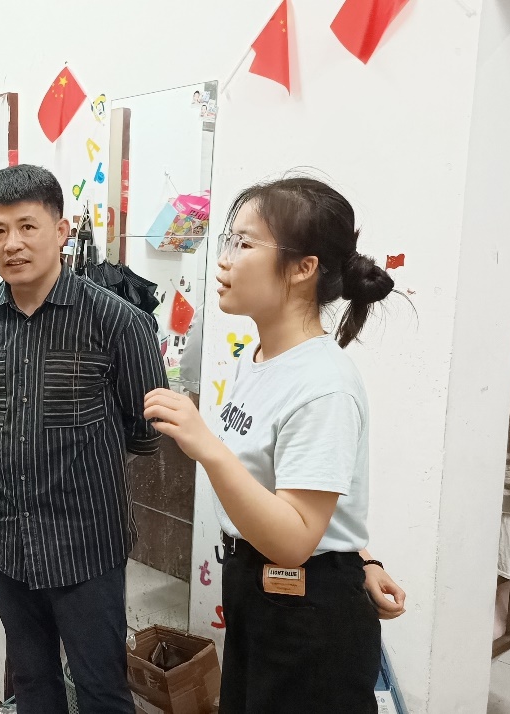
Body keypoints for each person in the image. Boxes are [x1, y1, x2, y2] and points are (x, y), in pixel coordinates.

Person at [143, 177, 407, 714]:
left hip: (307, 618)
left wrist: (206, 446)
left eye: (244, 243)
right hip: (258, 593)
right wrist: (363, 557)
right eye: (228, 240)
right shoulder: (258, 357)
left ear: (302, 268)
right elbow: (304, 493)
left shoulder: (325, 386)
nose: (224, 259)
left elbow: (294, 540)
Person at [0, 165, 166, 713]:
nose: (12, 243)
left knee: (101, 690)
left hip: (86, 543)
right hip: (6, 535)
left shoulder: (119, 322)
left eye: (27, 226)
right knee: (31, 682)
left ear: (61, 229)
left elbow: (146, 432)